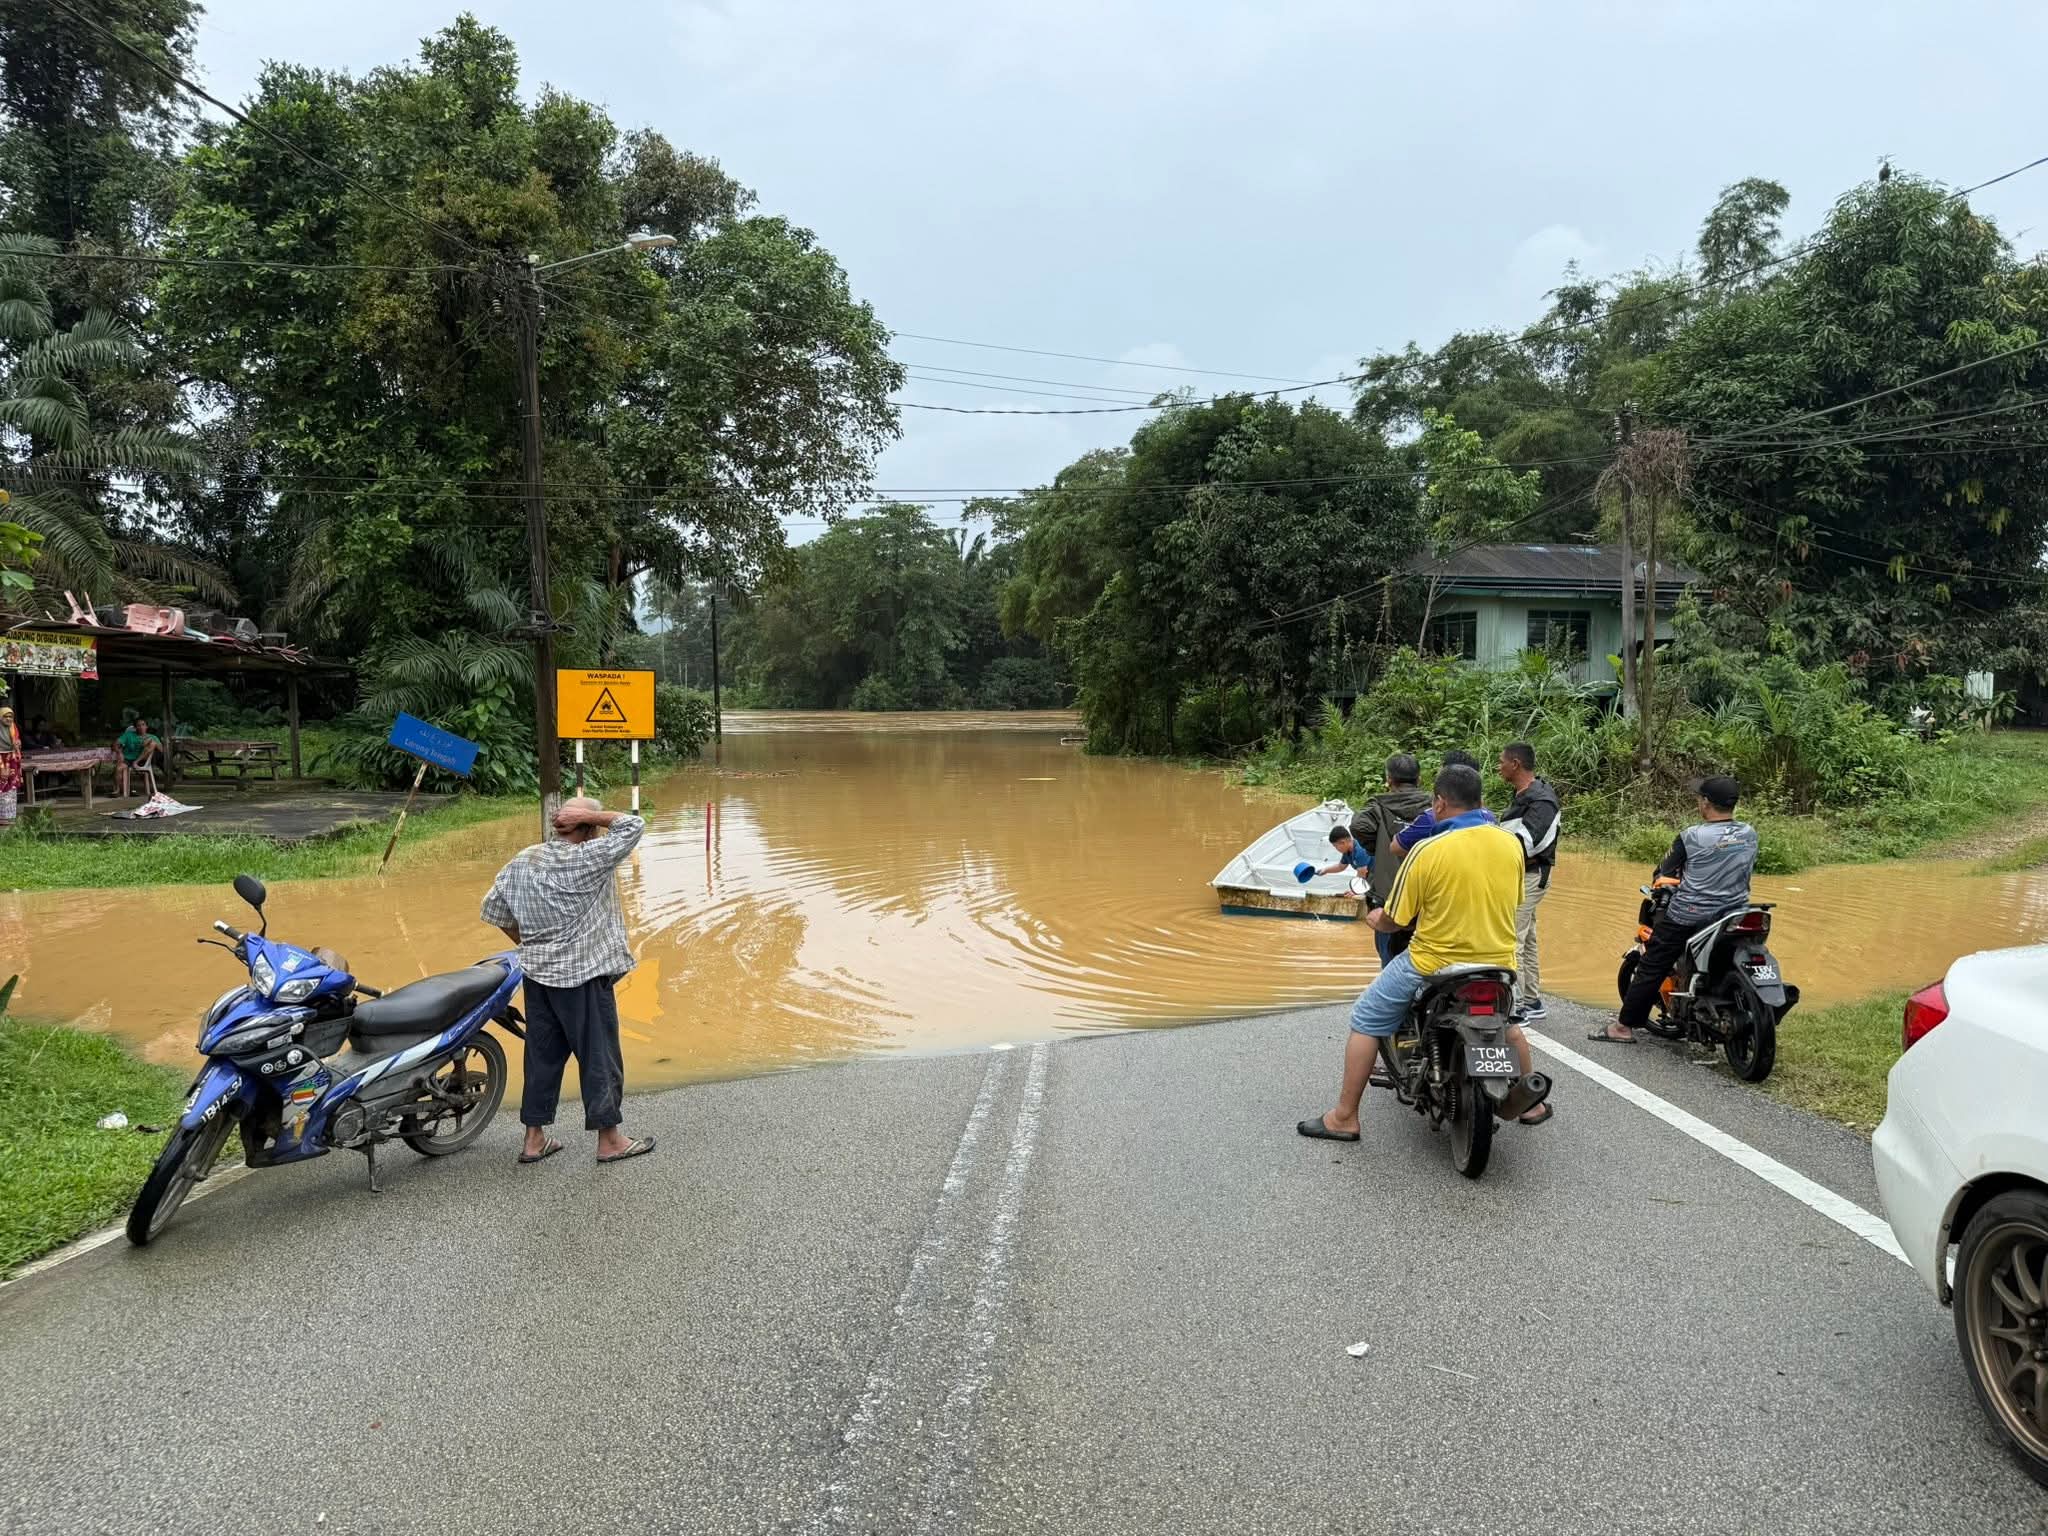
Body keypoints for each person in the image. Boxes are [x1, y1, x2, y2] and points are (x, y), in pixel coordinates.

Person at [1298, 763, 1523, 1143]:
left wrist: (1376, 919)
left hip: (1433, 963)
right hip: (1498, 963)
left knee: (1366, 1018)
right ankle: (1529, 1106)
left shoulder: (1427, 849)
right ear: (1480, 800)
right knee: (1509, 1023)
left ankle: (1344, 1117)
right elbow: (1512, 901)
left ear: (1440, 803)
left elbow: (1397, 919)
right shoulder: (1510, 843)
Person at [481, 796, 656, 1165]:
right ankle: (610, 1140)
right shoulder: (588, 858)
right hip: (583, 979)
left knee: (541, 1057)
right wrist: (592, 814)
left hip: (537, 976)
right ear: (589, 829)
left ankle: (534, 1139)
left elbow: (493, 909)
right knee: (599, 1057)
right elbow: (632, 825)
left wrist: (531, 943)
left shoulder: (523, 860)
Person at [1590, 776, 1759, 1045]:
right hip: (1735, 913)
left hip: (1690, 915)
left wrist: (1665, 883)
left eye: (1699, 798)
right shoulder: (1749, 833)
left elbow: (1664, 872)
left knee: (1653, 963)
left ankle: (1622, 1028)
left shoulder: (1691, 836)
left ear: (1706, 803)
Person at [1347, 753, 1432, 965]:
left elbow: (1358, 826)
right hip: (1430, 898)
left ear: (1389, 780)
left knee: (1389, 961)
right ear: (1419, 779)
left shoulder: (1377, 807)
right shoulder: (1436, 806)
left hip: (1390, 899)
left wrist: (1380, 848)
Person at [1497, 742, 1561, 1022]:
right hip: (1520, 875)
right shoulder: (1524, 795)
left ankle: (1518, 1006)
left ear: (1515, 764)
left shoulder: (1542, 801)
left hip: (1532, 876)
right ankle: (1532, 1000)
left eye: (1501, 761)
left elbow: (1527, 844)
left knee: (1511, 938)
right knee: (1528, 937)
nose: (1498, 766)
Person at [115, 716, 161, 798]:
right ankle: (118, 790)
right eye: (138, 725)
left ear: (146, 726)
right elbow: (116, 743)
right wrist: (119, 752)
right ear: (135, 727)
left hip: (143, 760)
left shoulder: (152, 736)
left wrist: (150, 741)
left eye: (143, 725)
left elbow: (161, 750)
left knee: (153, 743)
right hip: (128, 759)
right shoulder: (128, 735)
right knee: (119, 768)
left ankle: (136, 762)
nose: (141, 727)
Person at [0, 707, 19, 830]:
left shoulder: (13, 727)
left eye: (10, 716)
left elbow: (16, 741)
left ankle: (8, 816)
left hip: (11, 759)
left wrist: (17, 744)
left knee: (11, 788)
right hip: (1, 760)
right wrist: (2, 767)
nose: (8, 719)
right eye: (5, 716)